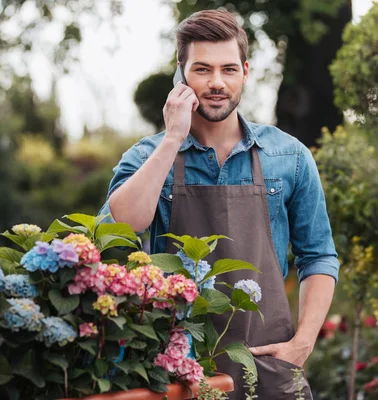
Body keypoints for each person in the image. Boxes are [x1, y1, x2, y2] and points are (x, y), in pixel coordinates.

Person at [99, 9, 339, 399]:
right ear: (181, 74)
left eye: (228, 69)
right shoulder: (148, 156)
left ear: (245, 71)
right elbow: (117, 230)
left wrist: (302, 344)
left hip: (269, 365)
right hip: (175, 371)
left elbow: (319, 256)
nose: (216, 83)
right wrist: (172, 139)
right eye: (202, 69)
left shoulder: (288, 156)